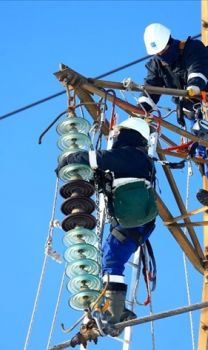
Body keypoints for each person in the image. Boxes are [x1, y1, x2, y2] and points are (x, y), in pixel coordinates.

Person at [57, 117, 157, 327]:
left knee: (111, 260)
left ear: (129, 134)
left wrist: (75, 158)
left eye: (118, 134)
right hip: (131, 221)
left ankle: (113, 313)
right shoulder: (133, 159)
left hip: (131, 222)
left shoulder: (131, 155)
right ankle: (116, 309)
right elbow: (103, 169)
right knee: (109, 259)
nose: (115, 137)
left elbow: (100, 158)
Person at [138, 23, 208, 212]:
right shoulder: (156, 65)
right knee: (202, 151)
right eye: (157, 53)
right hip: (194, 110)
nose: (161, 56)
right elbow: (150, 89)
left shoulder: (192, 48)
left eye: (163, 50)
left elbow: (199, 67)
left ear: (170, 42)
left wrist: (195, 84)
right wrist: (142, 108)